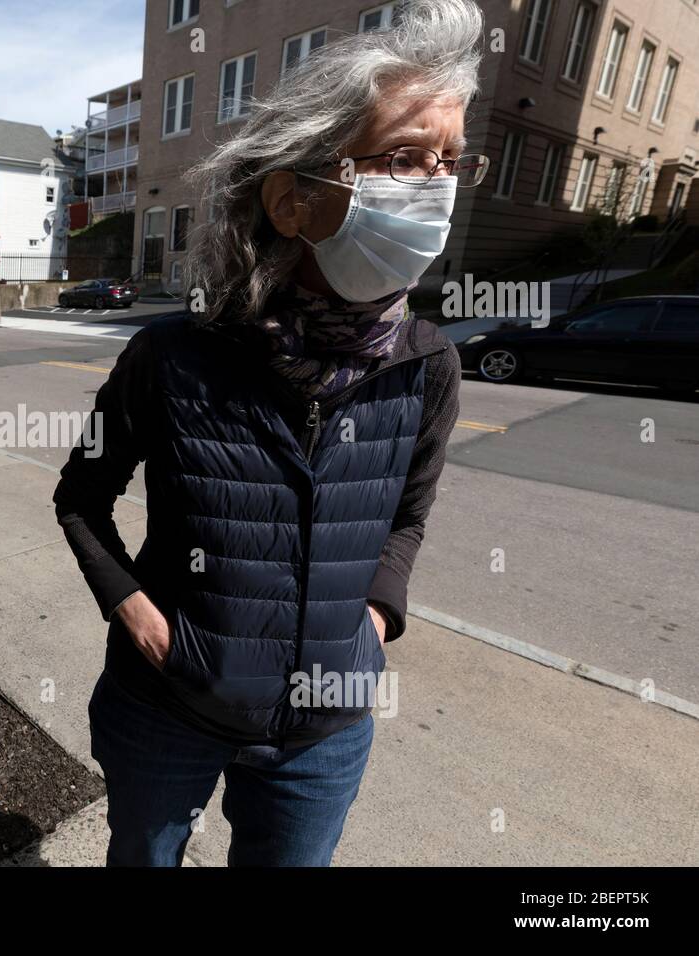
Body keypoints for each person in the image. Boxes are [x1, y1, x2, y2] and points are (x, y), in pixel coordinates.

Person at [53, 0, 484, 867]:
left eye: (448, 161)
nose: (434, 186)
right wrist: (135, 611)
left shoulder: (428, 364)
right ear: (292, 199)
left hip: (325, 729)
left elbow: (407, 517)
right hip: (167, 706)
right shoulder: (171, 357)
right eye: (403, 158)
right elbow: (81, 498)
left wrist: (375, 617)